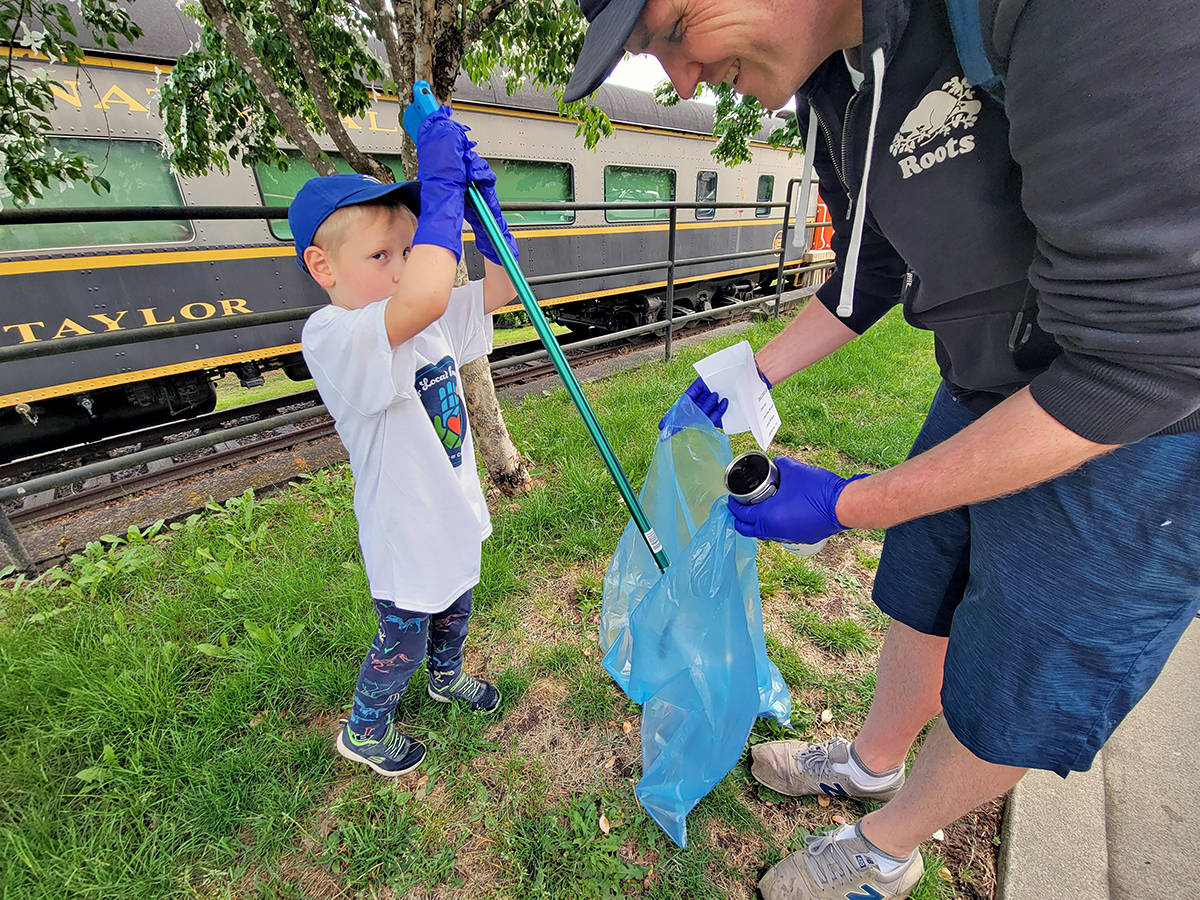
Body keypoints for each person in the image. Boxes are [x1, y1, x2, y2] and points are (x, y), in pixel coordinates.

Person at [564, 0, 1200, 897]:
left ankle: (888, 847)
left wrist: (844, 504)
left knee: (1021, 675)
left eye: (670, 29)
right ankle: (872, 762)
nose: (680, 78)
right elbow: (869, 268)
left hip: (1141, 430)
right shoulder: (837, 81)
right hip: (985, 379)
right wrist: (745, 377)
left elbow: (1145, 358)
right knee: (922, 586)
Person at [290, 108, 518, 777]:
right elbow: (418, 299)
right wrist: (440, 183)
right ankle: (365, 728)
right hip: (403, 529)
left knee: (456, 609)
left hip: (449, 510)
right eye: (381, 255)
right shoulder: (334, 334)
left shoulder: (430, 319)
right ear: (322, 266)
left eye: (408, 252)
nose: (400, 270)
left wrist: (483, 208)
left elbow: (505, 288)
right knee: (404, 638)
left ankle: (448, 680)